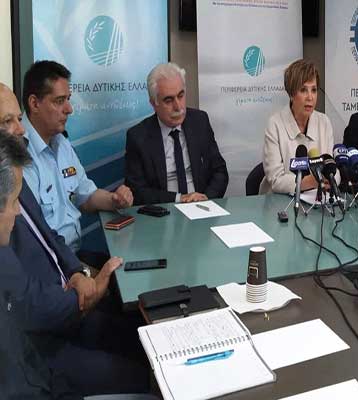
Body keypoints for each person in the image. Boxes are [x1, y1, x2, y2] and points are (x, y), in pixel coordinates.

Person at [0, 129, 156, 400]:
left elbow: (52, 237)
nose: (19, 128)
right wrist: (84, 298)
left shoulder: (23, 175)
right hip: (46, 340)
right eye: (8, 121)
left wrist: (78, 272)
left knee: (143, 340)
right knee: (143, 375)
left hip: (67, 296)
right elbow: (30, 305)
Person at [20, 61, 133, 253]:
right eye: (59, 101)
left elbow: (86, 196)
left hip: (73, 254)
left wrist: (114, 199)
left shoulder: (61, 142)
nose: (69, 109)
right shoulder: (18, 152)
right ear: (34, 103)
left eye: (68, 99)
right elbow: (32, 236)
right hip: (50, 261)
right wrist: (76, 269)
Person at [125, 62, 228, 205]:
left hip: (203, 207)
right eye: (169, 100)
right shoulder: (138, 136)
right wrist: (179, 199)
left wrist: (206, 199)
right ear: (154, 103)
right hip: (165, 210)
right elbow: (137, 191)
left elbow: (220, 172)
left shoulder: (199, 121)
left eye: (181, 96)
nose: (178, 107)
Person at [260, 59, 333, 194]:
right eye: (303, 90)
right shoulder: (275, 124)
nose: (310, 97)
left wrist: (331, 178)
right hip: (280, 201)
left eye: (314, 90)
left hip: (317, 200)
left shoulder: (324, 122)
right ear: (291, 94)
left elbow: (331, 168)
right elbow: (276, 179)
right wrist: (311, 181)